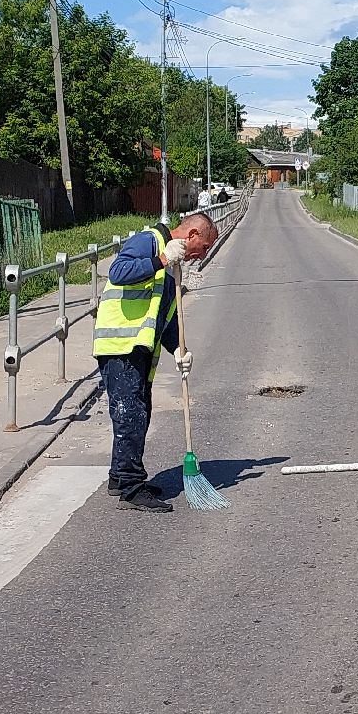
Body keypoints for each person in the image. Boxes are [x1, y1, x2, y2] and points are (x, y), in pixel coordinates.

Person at [93, 212, 218, 512]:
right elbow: (118, 272)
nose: (203, 254)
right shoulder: (149, 242)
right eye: (204, 246)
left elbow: (167, 315)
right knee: (130, 416)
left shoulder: (173, 266)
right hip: (120, 346)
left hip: (139, 350)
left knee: (137, 413)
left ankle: (119, 476)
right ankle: (131, 488)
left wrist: (178, 349)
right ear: (192, 236)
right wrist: (161, 259)